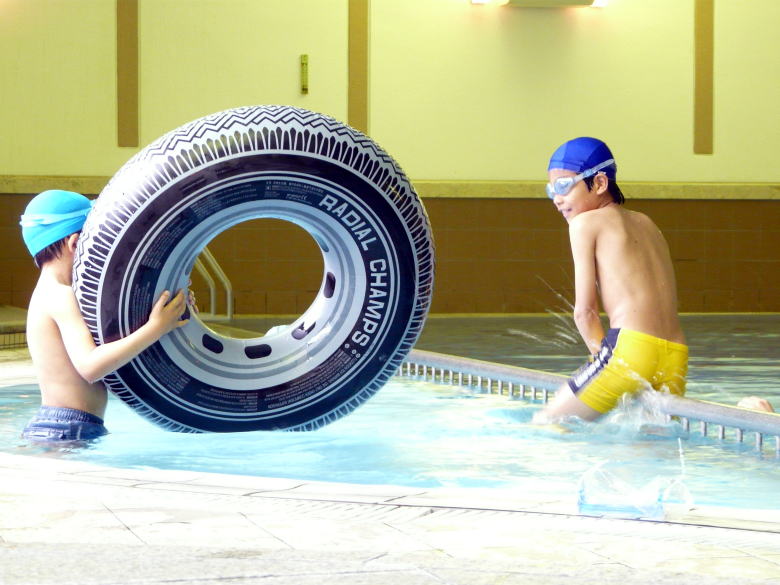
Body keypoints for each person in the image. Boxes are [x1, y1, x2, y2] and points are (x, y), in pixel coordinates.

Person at [533, 137, 688, 423]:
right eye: (551, 190)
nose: (557, 198)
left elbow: (584, 312)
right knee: (651, 450)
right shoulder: (647, 223)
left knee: (547, 423)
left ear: (600, 183)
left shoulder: (584, 224)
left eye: (565, 186)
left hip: (630, 351)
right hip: (675, 355)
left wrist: (609, 365)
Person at [19, 189, 189, 443]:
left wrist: (167, 315)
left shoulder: (54, 293)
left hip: (65, 424)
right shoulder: (60, 296)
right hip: (66, 427)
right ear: (75, 243)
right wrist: (155, 328)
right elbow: (90, 366)